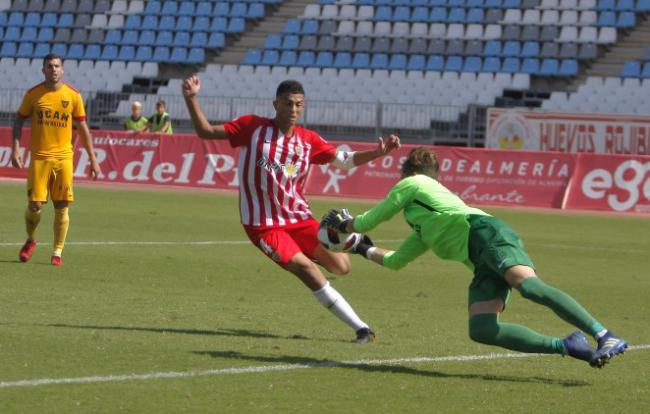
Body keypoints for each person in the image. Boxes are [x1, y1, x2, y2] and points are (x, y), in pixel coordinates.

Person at [324, 147, 628, 366]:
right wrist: (362, 248)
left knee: (529, 286)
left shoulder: (412, 183)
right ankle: (568, 346)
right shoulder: (423, 221)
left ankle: (604, 334)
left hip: (487, 235)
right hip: (480, 259)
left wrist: (345, 226)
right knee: (482, 329)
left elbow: (369, 221)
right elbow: (396, 261)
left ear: (407, 174)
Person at [182, 75, 401, 343]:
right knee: (308, 269)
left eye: (299, 105)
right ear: (275, 104)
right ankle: (362, 329)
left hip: (299, 219)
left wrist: (377, 153)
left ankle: (354, 245)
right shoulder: (252, 127)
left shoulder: (308, 140)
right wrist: (191, 99)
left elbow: (344, 161)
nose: (294, 110)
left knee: (342, 267)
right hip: (263, 225)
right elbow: (205, 131)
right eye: (288, 104)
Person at [11, 54, 102, 266]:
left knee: (62, 205)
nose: (53, 69)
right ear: (43, 70)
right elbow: (18, 120)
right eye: (49, 66)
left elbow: (83, 130)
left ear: (62, 70)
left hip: (63, 159)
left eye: (57, 66)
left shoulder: (73, 96)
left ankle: (57, 252)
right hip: (40, 158)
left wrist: (93, 159)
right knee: (35, 206)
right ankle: (31, 239)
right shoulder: (33, 95)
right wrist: (15, 148)